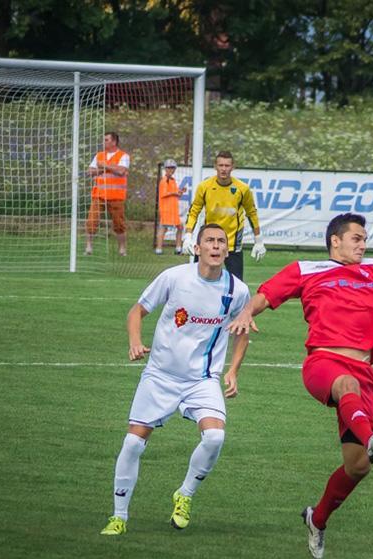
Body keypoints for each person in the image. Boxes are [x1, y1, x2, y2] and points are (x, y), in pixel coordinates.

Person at [227, 212, 373, 559]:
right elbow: (267, 294)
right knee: (346, 385)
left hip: (363, 372)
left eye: (365, 239)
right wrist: (248, 312)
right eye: (356, 238)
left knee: (358, 466)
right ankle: (370, 437)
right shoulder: (306, 269)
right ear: (335, 241)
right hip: (324, 362)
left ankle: (317, 518)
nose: (363, 245)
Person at [100, 223, 251, 536]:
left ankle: (184, 494)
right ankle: (119, 517)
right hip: (160, 375)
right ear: (197, 248)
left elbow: (242, 331)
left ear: (227, 250)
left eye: (221, 242)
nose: (216, 246)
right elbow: (136, 311)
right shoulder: (174, 277)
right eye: (209, 240)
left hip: (202, 380)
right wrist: (134, 341)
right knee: (133, 443)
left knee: (215, 437)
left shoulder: (237, 290)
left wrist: (233, 370)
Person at [182, 150, 266, 280]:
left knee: (236, 284)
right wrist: (188, 236)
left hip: (232, 244)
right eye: (221, 165)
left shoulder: (242, 189)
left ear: (233, 167)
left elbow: (252, 213)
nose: (224, 169)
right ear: (215, 166)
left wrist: (258, 240)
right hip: (208, 242)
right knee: (198, 280)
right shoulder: (204, 187)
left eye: (227, 165)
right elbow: (194, 212)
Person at [86, 132, 131, 257]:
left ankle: (122, 248)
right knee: (92, 220)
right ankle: (89, 246)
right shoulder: (99, 155)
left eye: (106, 140)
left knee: (119, 223)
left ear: (114, 142)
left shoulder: (124, 156)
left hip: (116, 196)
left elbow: (121, 171)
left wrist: (103, 166)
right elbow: (90, 171)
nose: (104, 142)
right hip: (99, 194)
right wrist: (107, 169)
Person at [155, 159, 188, 255]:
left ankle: (178, 248)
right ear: (165, 169)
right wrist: (175, 192)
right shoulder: (164, 180)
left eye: (173, 168)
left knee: (180, 227)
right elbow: (164, 193)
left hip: (173, 209)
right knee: (163, 228)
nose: (171, 170)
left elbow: (176, 194)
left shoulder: (172, 180)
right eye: (169, 168)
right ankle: (159, 249)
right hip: (166, 209)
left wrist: (180, 192)